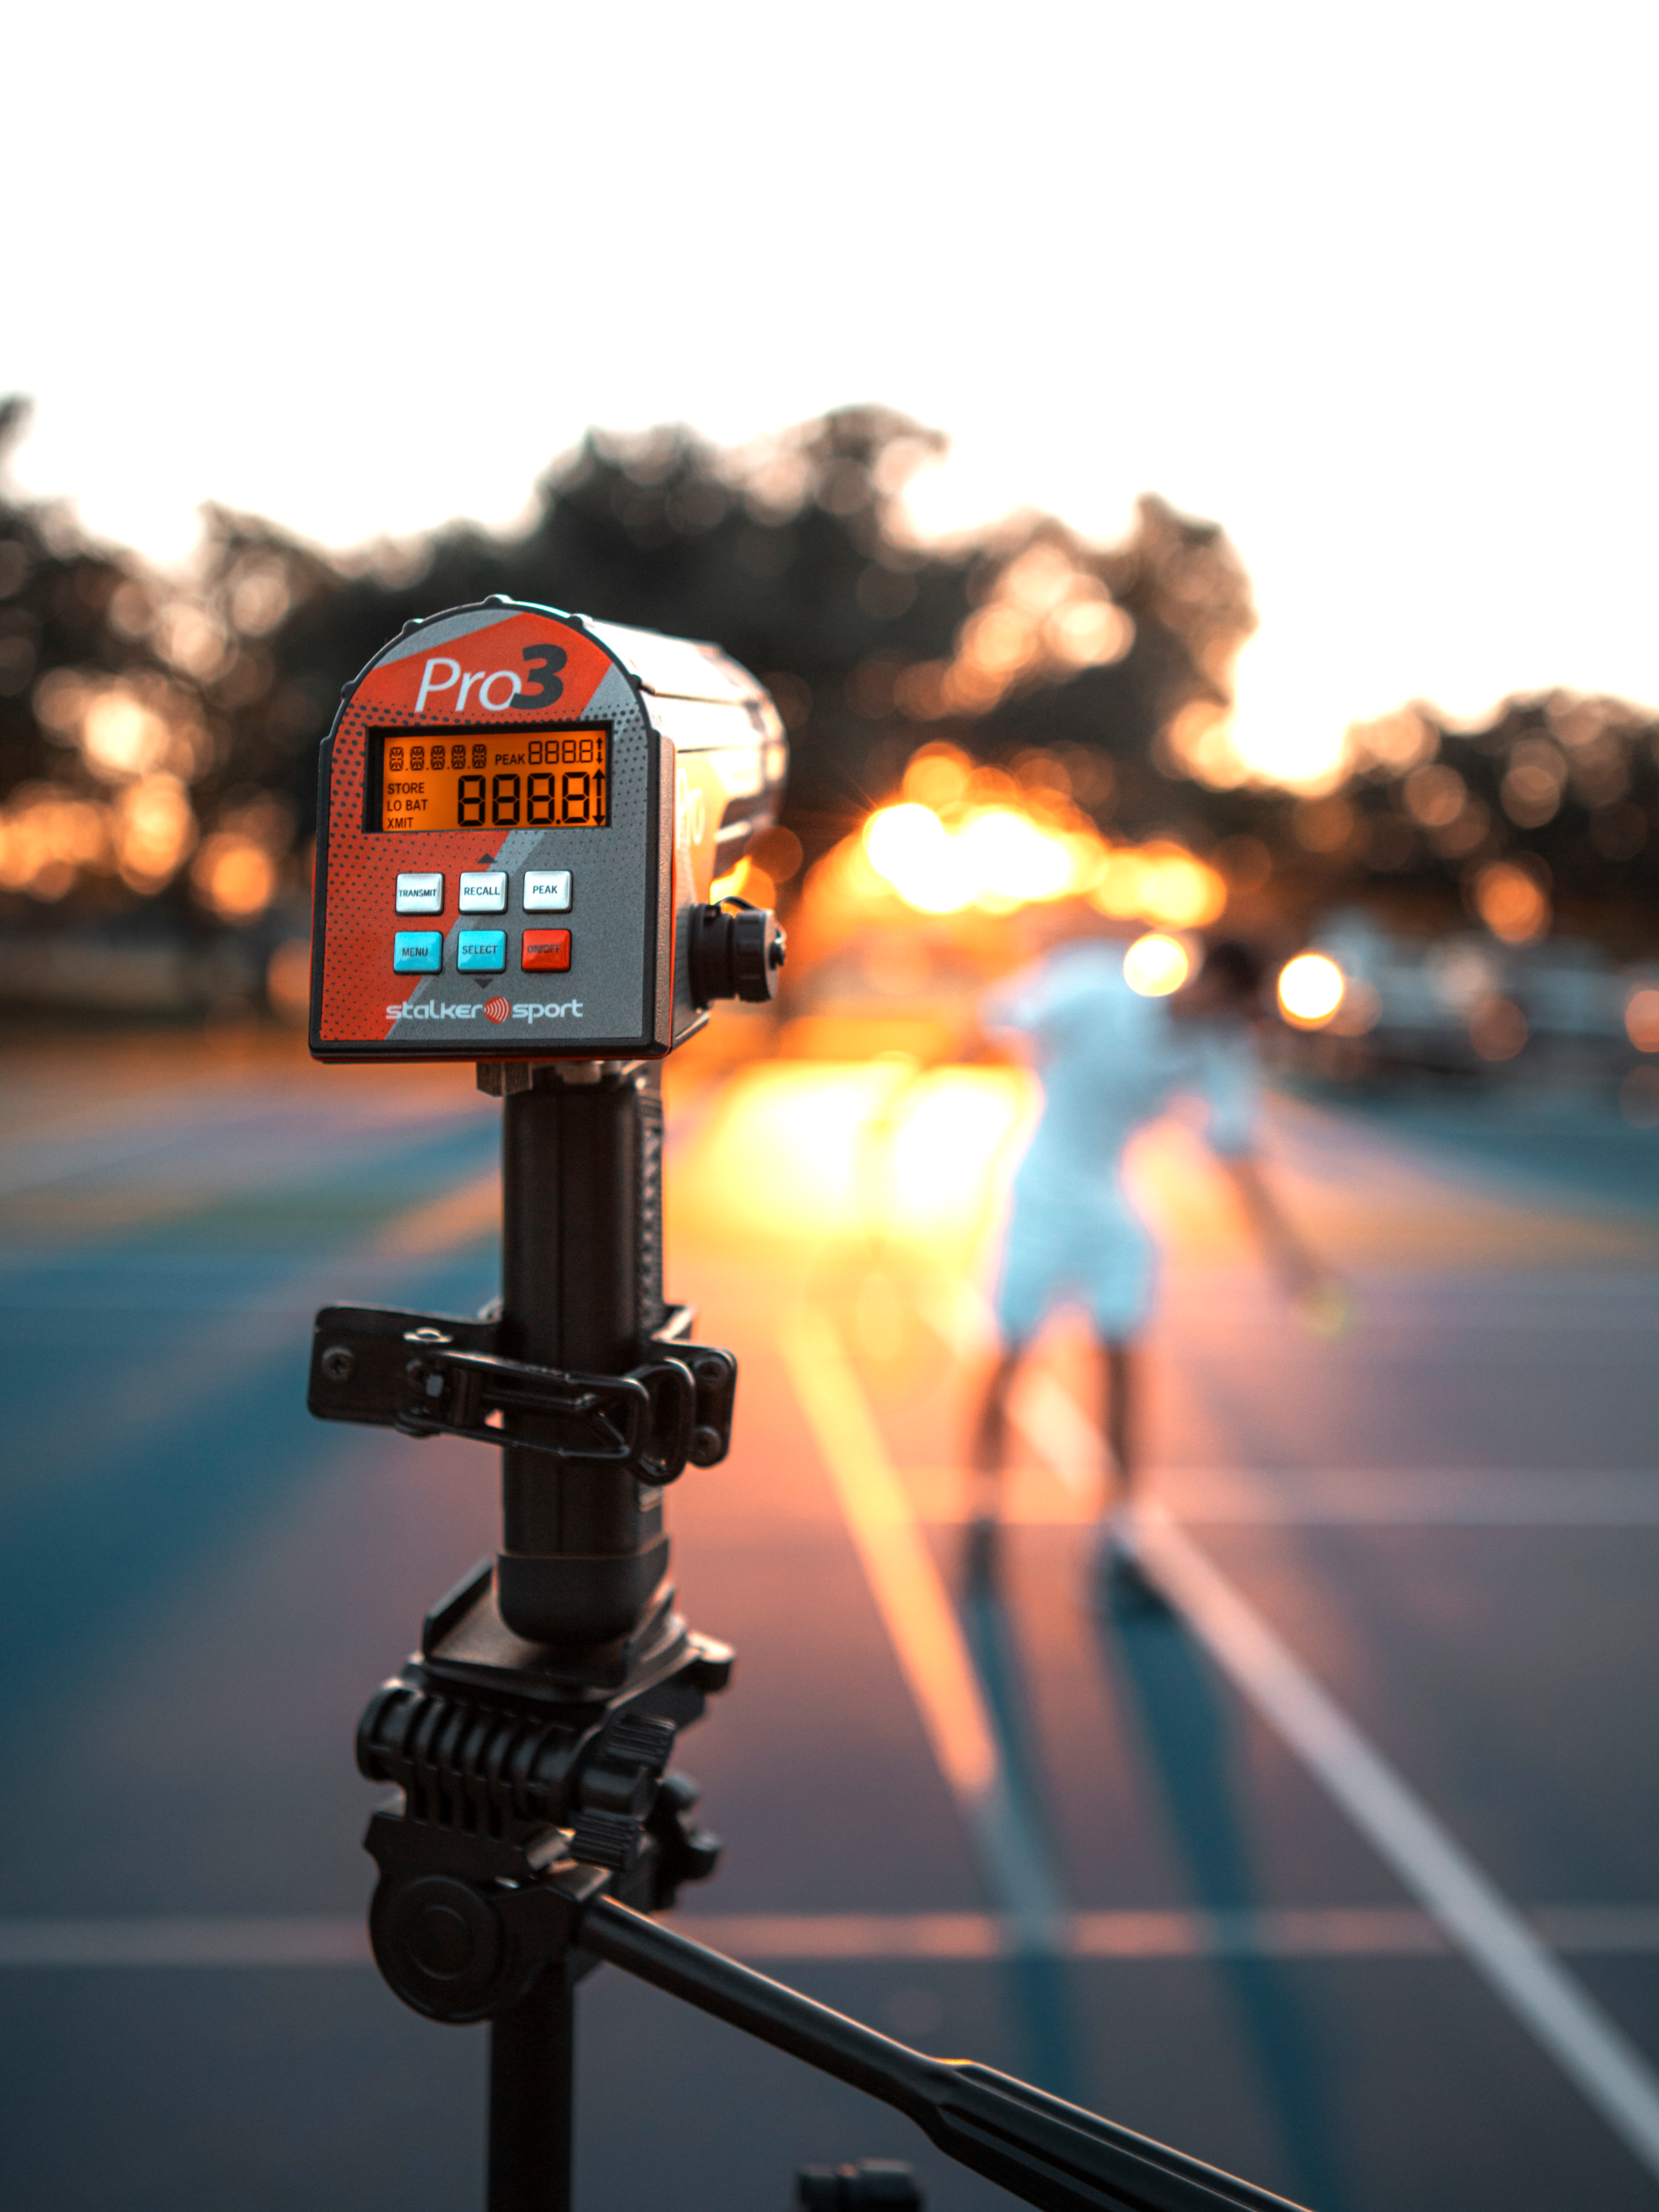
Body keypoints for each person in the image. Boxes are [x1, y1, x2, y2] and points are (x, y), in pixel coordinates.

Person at [971, 928, 1335, 1580]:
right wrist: (902, 1097)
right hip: (1038, 1197)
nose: (1230, 1017)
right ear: (1212, 981)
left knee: (1123, 1369)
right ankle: (984, 1510)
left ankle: (1118, 1539)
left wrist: (1294, 1261)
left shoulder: (1218, 1050)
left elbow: (1239, 1158)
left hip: (1112, 1207)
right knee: (1008, 1359)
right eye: (1232, 1001)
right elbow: (995, 1020)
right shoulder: (1096, 987)